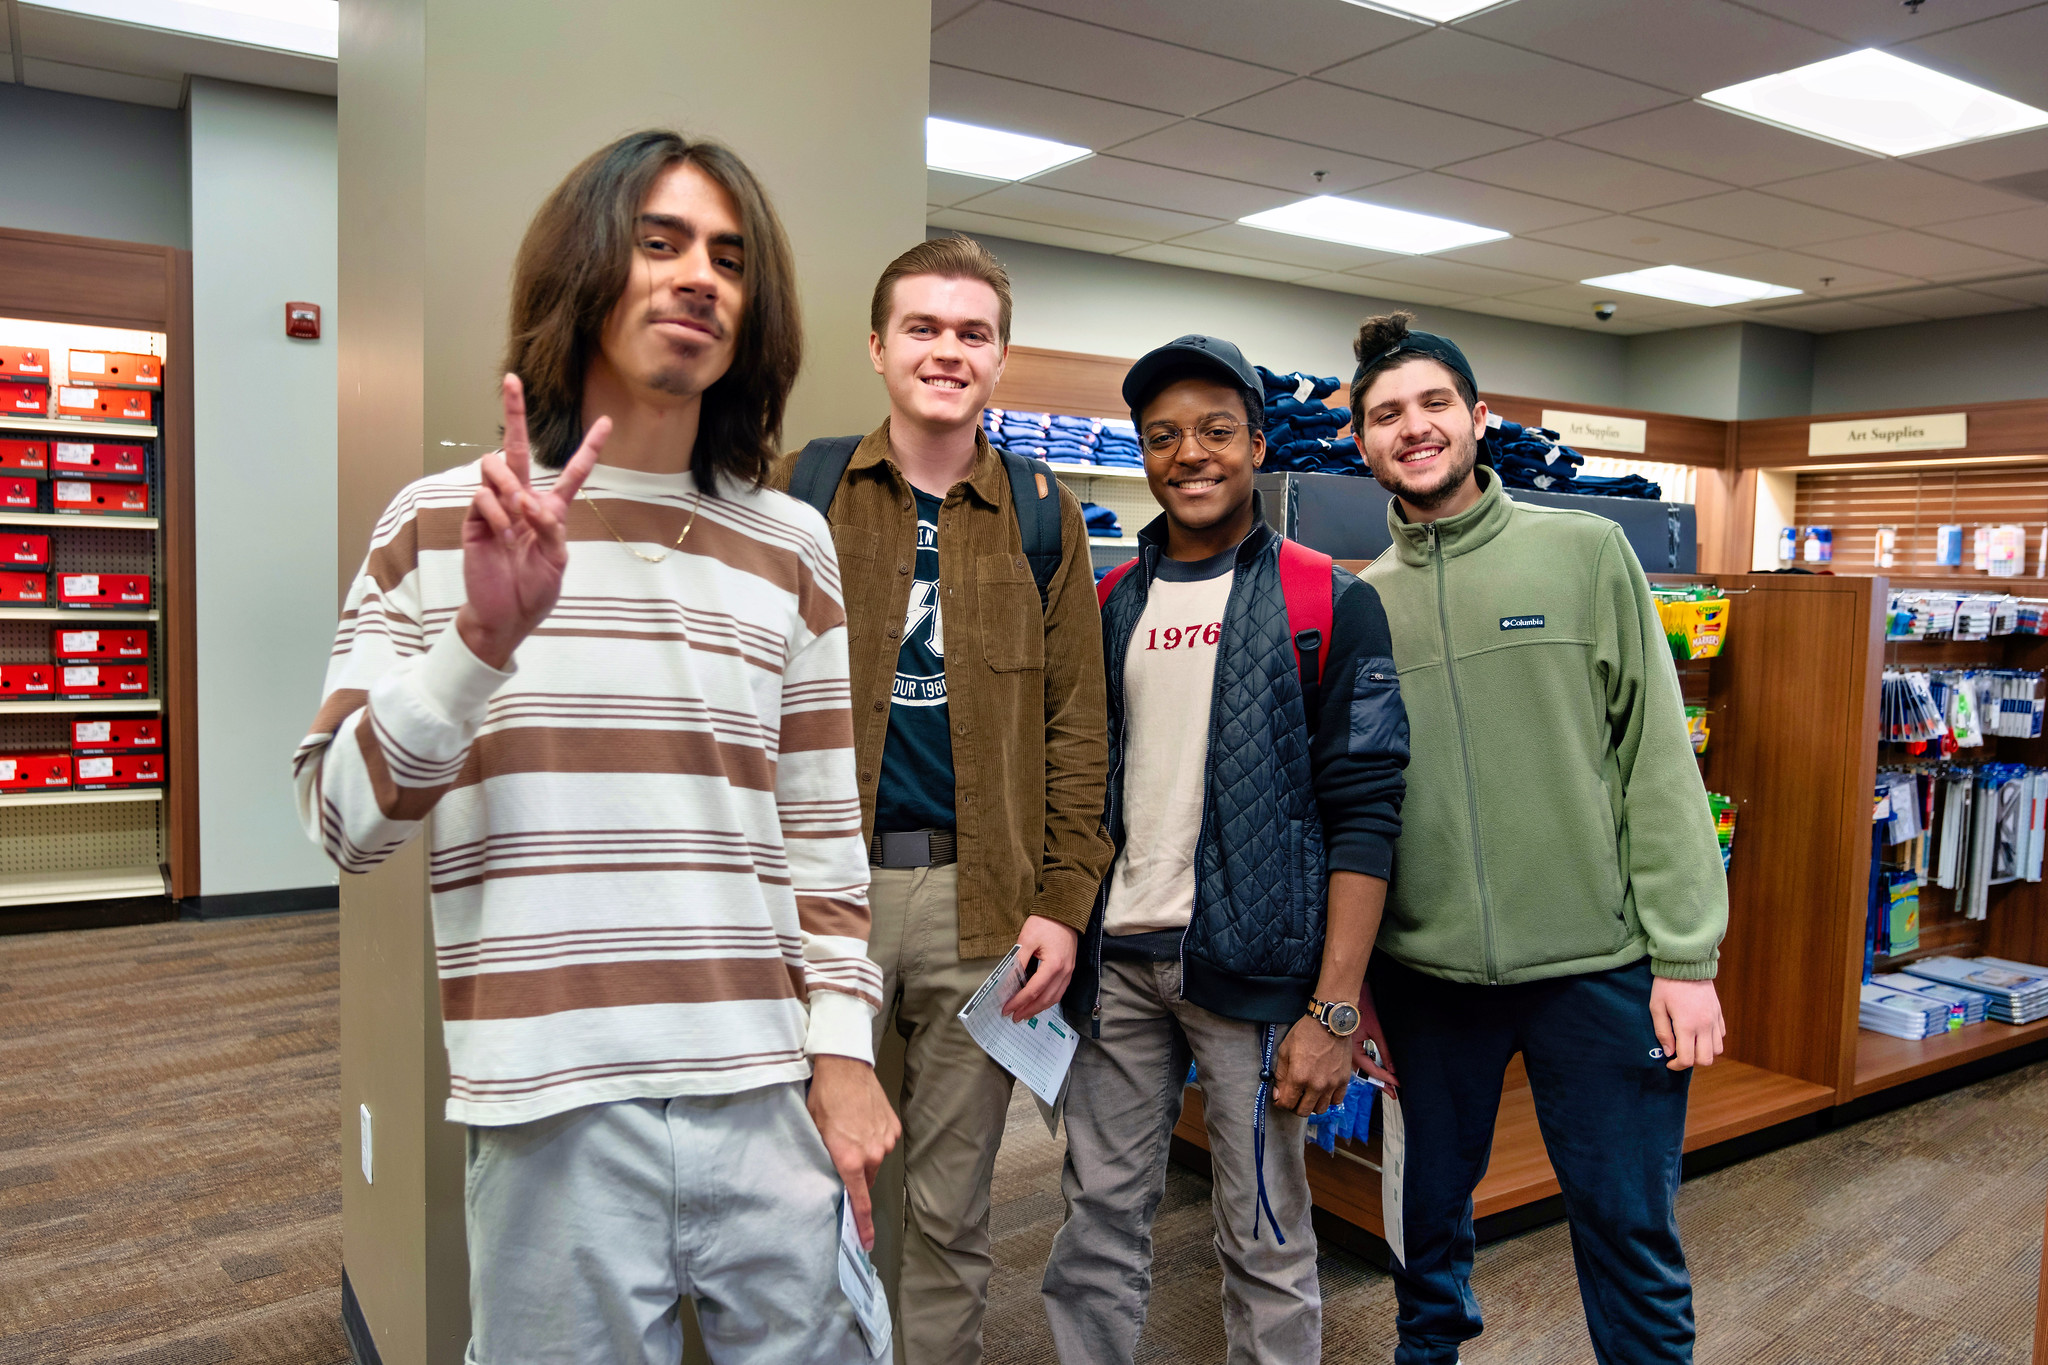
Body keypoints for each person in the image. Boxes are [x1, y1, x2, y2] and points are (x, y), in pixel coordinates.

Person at [293, 131, 898, 1364]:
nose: (699, 279)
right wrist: (477, 642)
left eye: (729, 258)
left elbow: (823, 843)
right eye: (659, 242)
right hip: (548, 1108)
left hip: (765, 1091)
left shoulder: (791, 542)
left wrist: (842, 1059)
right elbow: (342, 825)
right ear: (583, 275)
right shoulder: (436, 527)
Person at [1350, 311, 1728, 1365]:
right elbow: (1362, 808)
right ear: (1360, 443)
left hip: (1597, 969)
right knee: (1428, 1230)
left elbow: (1655, 760)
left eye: (1432, 405)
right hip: (1428, 982)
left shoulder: (1583, 552)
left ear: (1476, 419)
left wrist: (1684, 957)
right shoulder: (1360, 604)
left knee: (1626, 1230)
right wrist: (1362, 984)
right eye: (1386, 415)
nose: (1412, 428)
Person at [770, 235, 1113, 1365]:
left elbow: (1077, 726)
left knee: (949, 1216)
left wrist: (1062, 904)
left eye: (972, 332)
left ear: (1000, 357)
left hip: (983, 909)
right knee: (805, 1196)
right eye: (923, 327)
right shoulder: (806, 495)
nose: (947, 351)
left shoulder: (1039, 514)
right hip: (829, 904)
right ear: (878, 347)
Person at [1043, 334, 1409, 1364]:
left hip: (1252, 980)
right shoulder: (1115, 603)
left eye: (1214, 430)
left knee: (1264, 1236)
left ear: (1256, 442)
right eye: (1162, 438)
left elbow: (1368, 814)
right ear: (1142, 457)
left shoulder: (1328, 601)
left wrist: (1331, 1010)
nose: (1189, 454)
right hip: (1118, 970)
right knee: (1096, 1224)